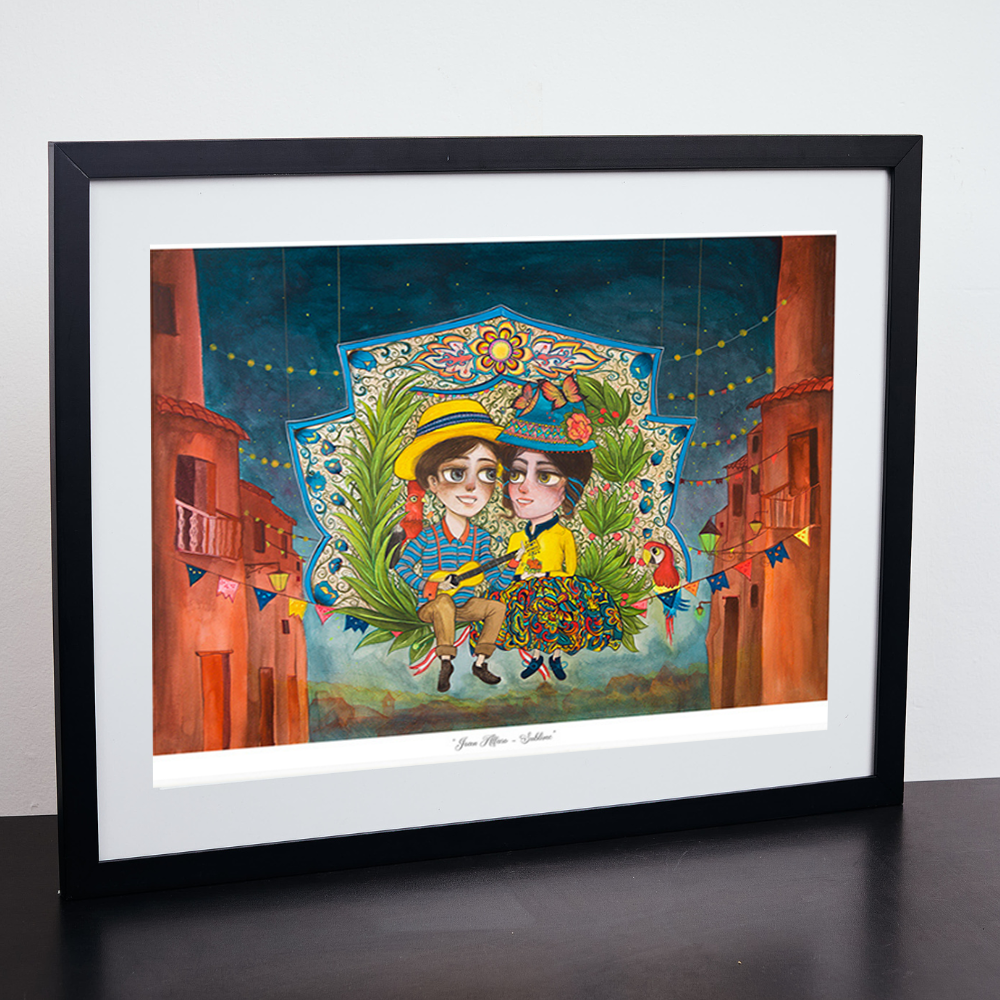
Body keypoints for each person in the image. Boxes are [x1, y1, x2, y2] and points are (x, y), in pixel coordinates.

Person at [483, 377, 625, 680]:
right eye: (516, 474)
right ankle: (535, 658)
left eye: (545, 477)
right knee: (530, 626)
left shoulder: (562, 534)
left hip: (556, 587)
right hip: (524, 588)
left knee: (556, 623)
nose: (523, 488)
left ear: (569, 489)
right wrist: (517, 573)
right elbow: (511, 566)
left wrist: (555, 580)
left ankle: (556, 658)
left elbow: (569, 565)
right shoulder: (517, 536)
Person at [393, 399, 517, 693]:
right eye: (457, 474)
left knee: (496, 607)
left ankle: (481, 662)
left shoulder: (481, 539)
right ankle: (446, 661)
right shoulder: (428, 537)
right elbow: (402, 566)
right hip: (432, 607)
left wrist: (512, 564)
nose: (472, 486)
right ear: (432, 482)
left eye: (487, 474)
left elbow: (495, 580)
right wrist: (432, 587)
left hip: (466, 606)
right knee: (444, 604)